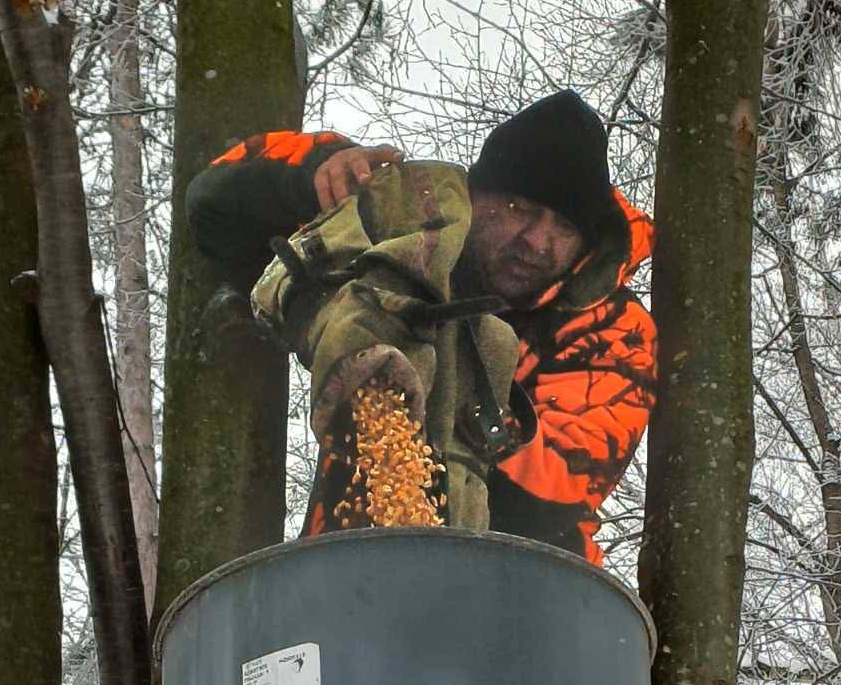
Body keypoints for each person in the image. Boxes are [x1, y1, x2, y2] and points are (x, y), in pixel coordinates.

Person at [186, 90, 655, 566]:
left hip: (528, 581)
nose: (536, 241)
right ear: (473, 196)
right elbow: (211, 204)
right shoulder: (410, 226)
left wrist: (454, 381)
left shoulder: (615, 330)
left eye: (563, 229)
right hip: (353, 560)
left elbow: (549, 499)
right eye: (518, 209)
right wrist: (320, 176)